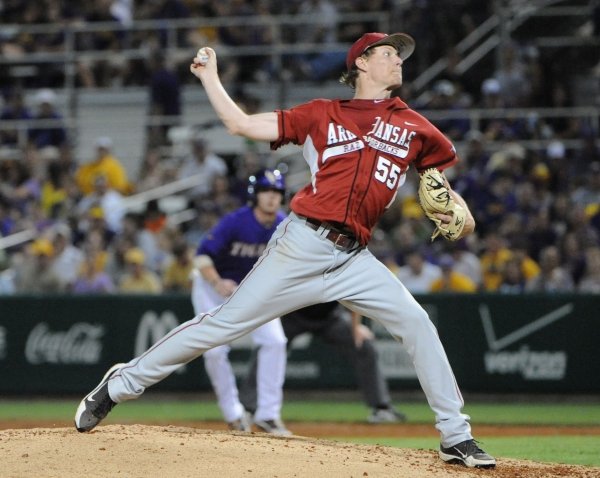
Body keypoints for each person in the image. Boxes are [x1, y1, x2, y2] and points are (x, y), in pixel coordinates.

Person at [75, 32, 495, 469]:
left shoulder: (414, 125)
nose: (398, 61)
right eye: (388, 53)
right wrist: (210, 78)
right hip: (303, 244)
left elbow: (440, 187)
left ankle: (455, 435)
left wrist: (460, 214)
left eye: (399, 55)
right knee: (222, 326)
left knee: (417, 322)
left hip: (354, 257)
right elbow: (241, 125)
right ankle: (120, 384)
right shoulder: (322, 114)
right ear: (362, 64)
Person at [191, 169, 290, 435]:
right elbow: (201, 257)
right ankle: (234, 414)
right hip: (214, 288)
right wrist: (216, 282)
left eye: (277, 192)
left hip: (251, 291)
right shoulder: (236, 222)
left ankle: (268, 414)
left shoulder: (283, 225)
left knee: (275, 342)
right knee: (214, 351)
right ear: (255, 195)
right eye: (267, 191)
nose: (272, 197)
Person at [239, 302, 407, 424]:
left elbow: (353, 297)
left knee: (364, 346)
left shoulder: (339, 261)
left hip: (330, 318)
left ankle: (381, 408)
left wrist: (356, 328)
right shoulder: (302, 260)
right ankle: (248, 408)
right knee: (270, 346)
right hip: (293, 314)